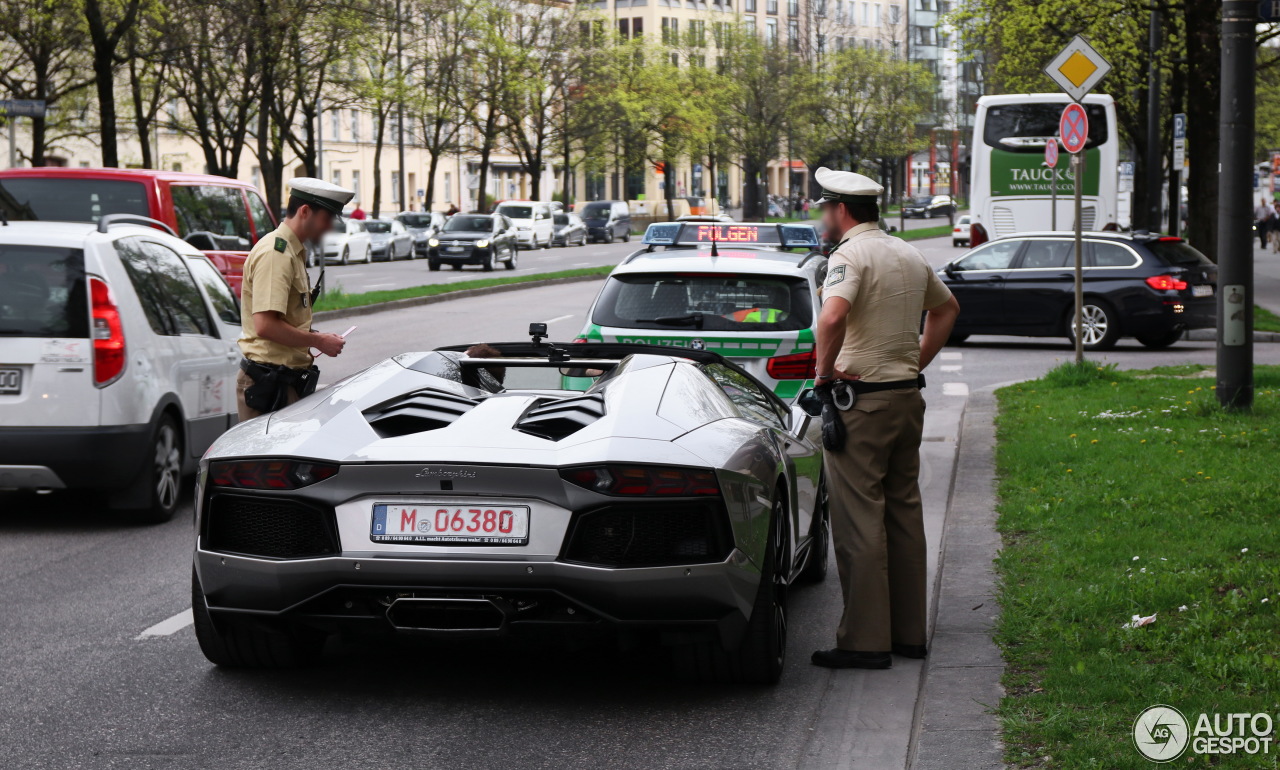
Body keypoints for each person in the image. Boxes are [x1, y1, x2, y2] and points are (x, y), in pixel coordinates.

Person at [808, 166, 961, 670]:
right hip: (905, 398)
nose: (823, 218)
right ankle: (908, 635)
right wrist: (915, 362)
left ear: (842, 211)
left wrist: (822, 377)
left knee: (859, 520)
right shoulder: (907, 252)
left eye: (825, 209)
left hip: (862, 402)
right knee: (903, 513)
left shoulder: (849, 256)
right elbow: (947, 309)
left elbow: (832, 317)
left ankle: (865, 642)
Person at [236, 177, 353, 421]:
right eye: (327, 218)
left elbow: (285, 319)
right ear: (305, 211)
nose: (329, 227)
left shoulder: (292, 252)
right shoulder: (276, 254)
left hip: (280, 383)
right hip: (268, 386)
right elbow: (265, 325)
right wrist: (318, 340)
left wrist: (314, 338)